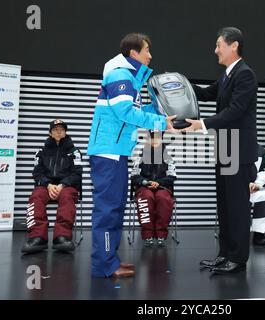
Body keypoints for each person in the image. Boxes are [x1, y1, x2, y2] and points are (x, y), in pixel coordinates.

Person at [87, 33, 176, 278]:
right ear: (134, 53)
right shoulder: (119, 75)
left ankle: (109, 261)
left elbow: (134, 109)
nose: (150, 55)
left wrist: (160, 109)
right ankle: (103, 264)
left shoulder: (128, 79)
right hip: (108, 153)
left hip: (115, 153)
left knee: (114, 208)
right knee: (108, 210)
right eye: (147, 50)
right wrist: (159, 122)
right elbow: (125, 112)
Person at [183, 27, 258, 274]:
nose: (215, 50)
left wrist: (201, 124)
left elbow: (235, 111)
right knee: (224, 206)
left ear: (233, 45)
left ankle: (237, 258)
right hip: (226, 149)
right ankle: (224, 253)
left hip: (238, 151)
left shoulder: (244, 74)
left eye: (219, 45)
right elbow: (205, 94)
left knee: (237, 207)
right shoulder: (227, 75)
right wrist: (179, 82)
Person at [21, 119, 83, 254]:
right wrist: (48, 185)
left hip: (66, 186)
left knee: (67, 197)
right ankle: (37, 237)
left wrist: (62, 185)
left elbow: (77, 173)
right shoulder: (40, 151)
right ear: (50, 133)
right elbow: (36, 172)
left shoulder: (75, 151)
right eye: (55, 129)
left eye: (62, 129)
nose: (59, 132)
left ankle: (62, 237)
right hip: (46, 185)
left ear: (66, 132)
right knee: (35, 197)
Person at [130, 130, 177, 247]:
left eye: (157, 138)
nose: (155, 140)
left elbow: (172, 176)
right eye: (152, 138)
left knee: (163, 198)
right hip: (144, 187)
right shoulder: (140, 156)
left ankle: (161, 234)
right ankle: (148, 235)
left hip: (162, 187)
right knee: (146, 197)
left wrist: (158, 183)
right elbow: (134, 176)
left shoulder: (168, 157)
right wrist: (146, 182)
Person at [249, 144, 265, 246]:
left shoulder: (261, 150)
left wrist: (258, 184)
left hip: (253, 187)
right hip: (236, 187)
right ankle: (234, 232)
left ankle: (259, 234)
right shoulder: (232, 147)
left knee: (264, 197)